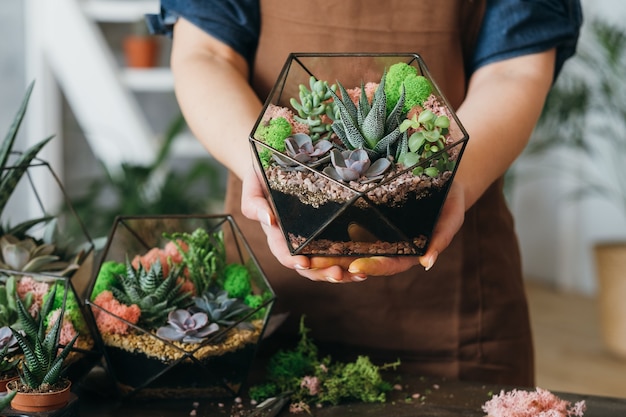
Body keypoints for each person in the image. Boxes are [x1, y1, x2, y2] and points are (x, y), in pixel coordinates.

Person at [148, 0, 582, 386]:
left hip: (455, 313)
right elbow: (206, 52)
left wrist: (451, 179)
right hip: (273, 289)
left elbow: (513, 68)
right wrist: (261, 164)